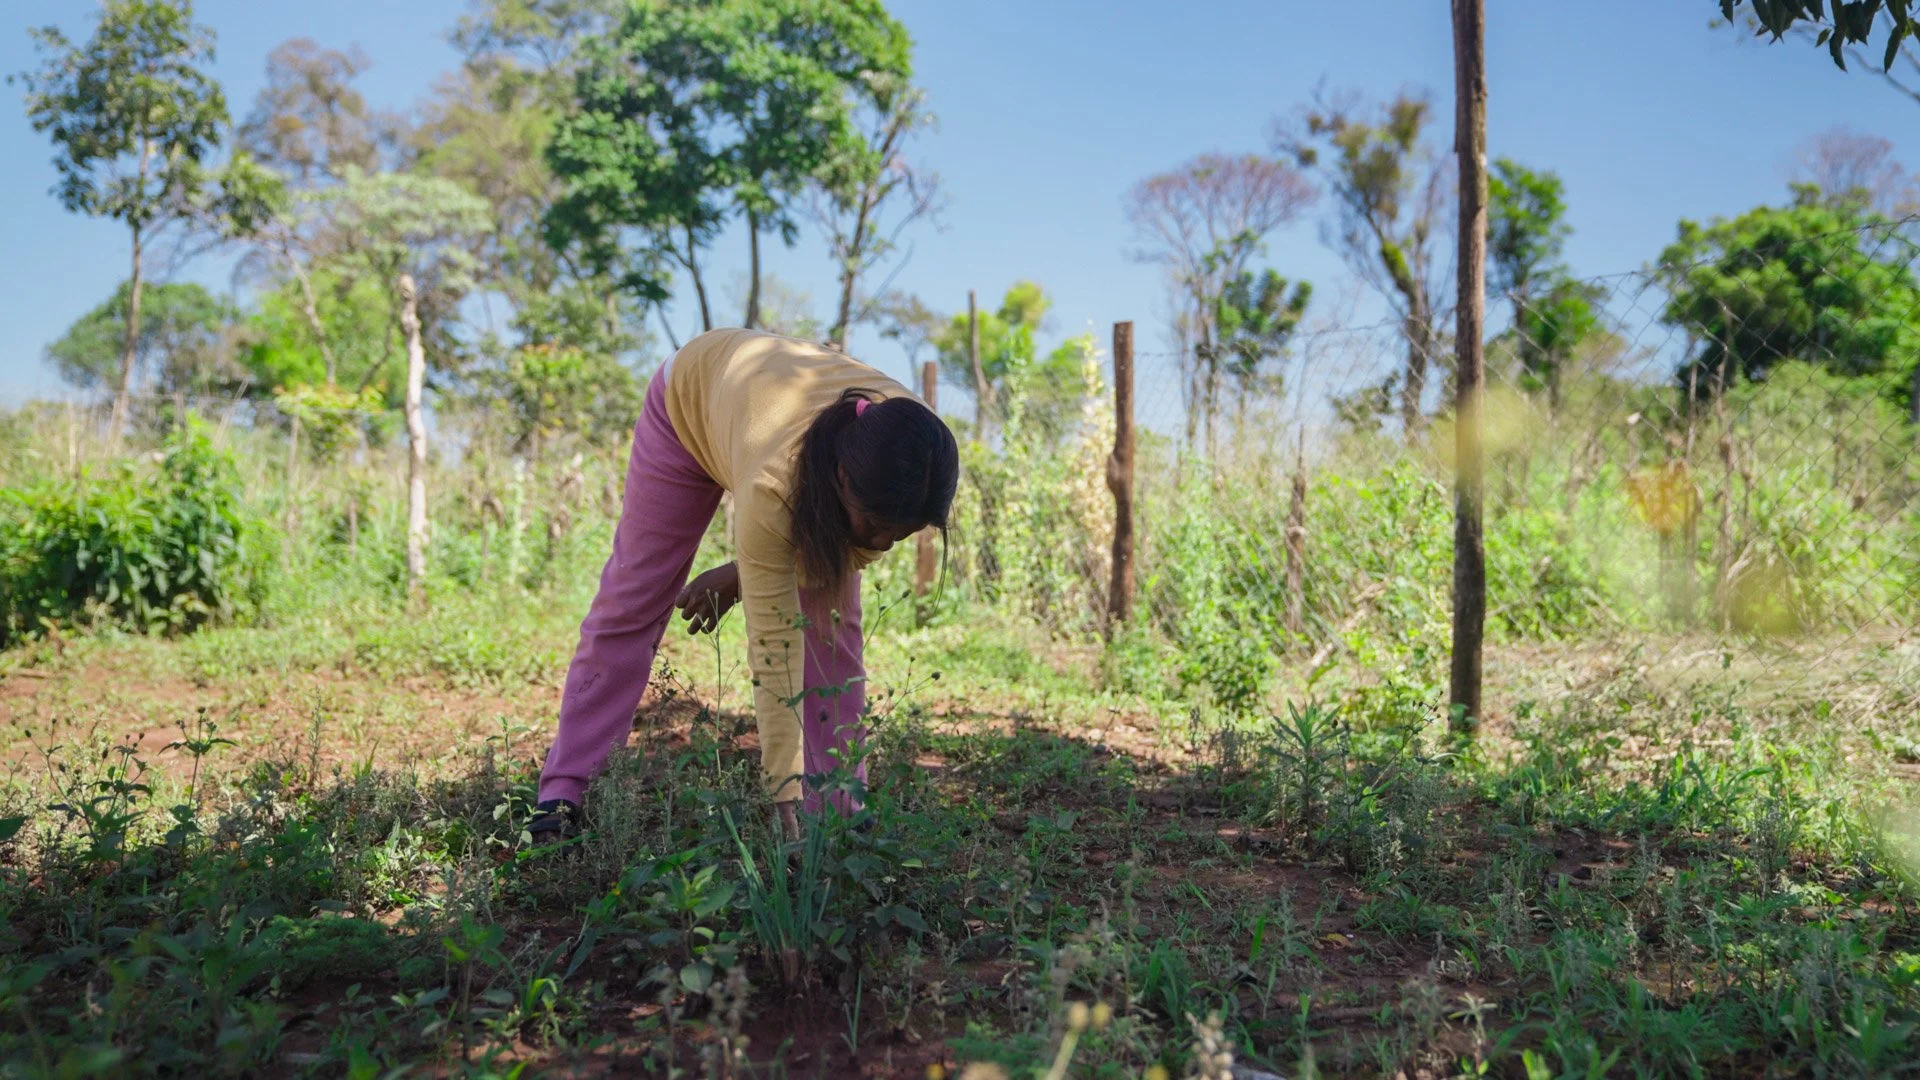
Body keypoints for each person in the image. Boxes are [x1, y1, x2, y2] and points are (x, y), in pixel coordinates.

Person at [526, 327, 958, 844]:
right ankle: (564, 792)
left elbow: (834, 558)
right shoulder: (776, 483)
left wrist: (740, 572)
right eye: (874, 527)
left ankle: (842, 808)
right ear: (842, 479)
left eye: (903, 533)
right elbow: (773, 650)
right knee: (634, 599)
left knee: (832, 629)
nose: (884, 545)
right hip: (690, 402)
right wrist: (784, 792)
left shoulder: (915, 451)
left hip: (761, 408)